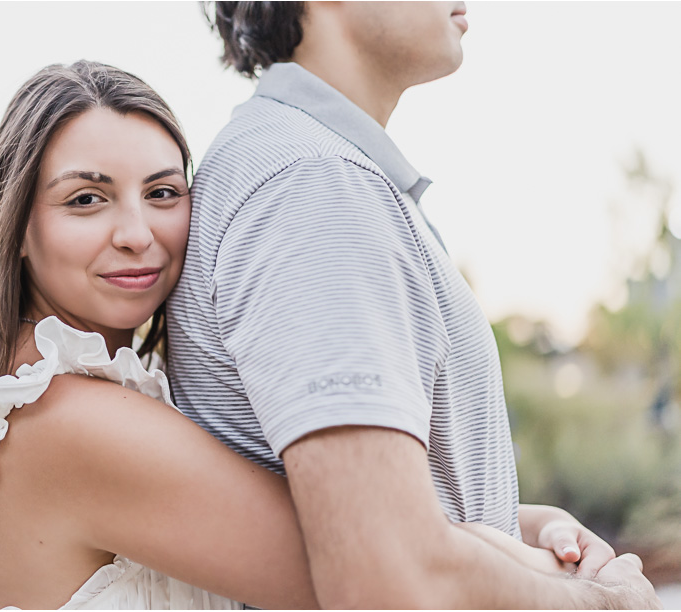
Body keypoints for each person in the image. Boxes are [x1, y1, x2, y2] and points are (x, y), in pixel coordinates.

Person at [0, 60, 607, 610]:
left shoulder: (107, 400)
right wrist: (600, 597)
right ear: (14, 228)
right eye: (86, 200)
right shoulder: (67, 421)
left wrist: (537, 523)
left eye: (163, 193)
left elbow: (360, 519)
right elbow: (376, 569)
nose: (137, 235)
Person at [166, 1, 661, 608]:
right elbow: (385, 578)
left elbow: (367, 515)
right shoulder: (315, 185)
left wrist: (512, 522)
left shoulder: (315, 168)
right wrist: (610, 604)